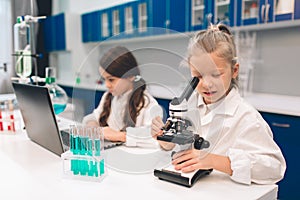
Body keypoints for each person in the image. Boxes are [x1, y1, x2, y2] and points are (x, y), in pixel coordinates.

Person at [151, 24, 286, 185]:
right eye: (198, 76)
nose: (207, 84)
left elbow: (274, 169)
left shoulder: (246, 117)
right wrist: (166, 141)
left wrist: (214, 161)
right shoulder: (190, 104)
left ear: (234, 70)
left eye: (216, 74)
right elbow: (178, 150)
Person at [83, 46, 162, 147]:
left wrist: (120, 136)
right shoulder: (108, 96)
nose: (106, 85)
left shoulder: (148, 104)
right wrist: (94, 128)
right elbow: (93, 117)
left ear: (130, 76)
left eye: (111, 80)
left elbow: (156, 139)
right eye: (104, 79)